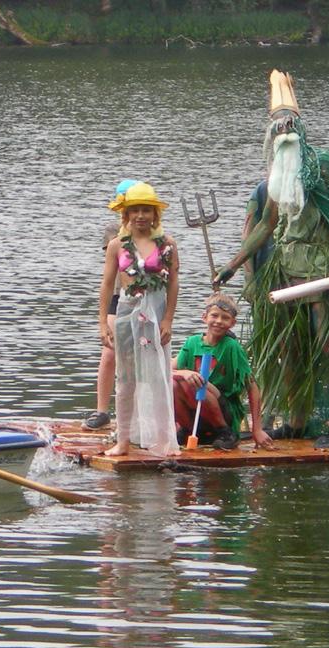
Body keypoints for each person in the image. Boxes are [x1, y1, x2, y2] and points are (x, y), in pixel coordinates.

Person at [214, 69, 329, 448]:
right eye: (278, 128)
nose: (284, 132)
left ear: (301, 131)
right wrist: (233, 263)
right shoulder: (277, 174)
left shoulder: (323, 166)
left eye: (289, 126)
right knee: (290, 348)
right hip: (287, 270)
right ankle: (295, 419)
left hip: (322, 271)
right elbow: (266, 226)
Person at [98, 181, 180, 457]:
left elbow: (173, 283)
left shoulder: (167, 244)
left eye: (147, 210)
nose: (141, 216)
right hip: (126, 310)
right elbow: (107, 285)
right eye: (135, 210)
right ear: (126, 215)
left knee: (158, 375)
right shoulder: (117, 245)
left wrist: (168, 319)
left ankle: (162, 439)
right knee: (126, 378)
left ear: (155, 214)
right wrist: (101, 323)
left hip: (155, 312)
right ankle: (123, 440)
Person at [173, 293, 275, 451]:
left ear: (232, 323)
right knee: (175, 383)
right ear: (204, 317)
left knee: (197, 382)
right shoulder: (191, 343)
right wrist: (185, 372)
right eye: (214, 316)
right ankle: (188, 429)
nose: (219, 321)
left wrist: (257, 429)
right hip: (197, 409)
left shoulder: (231, 347)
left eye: (225, 318)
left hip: (223, 407)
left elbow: (252, 386)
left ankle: (224, 432)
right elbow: (168, 371)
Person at [83, 179, 138, 432]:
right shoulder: (114, 231)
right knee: (110, 353)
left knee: (138, 357)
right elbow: (116, 259)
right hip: (120, 297)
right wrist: (102, 320)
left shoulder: (155, 232)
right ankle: (103, 410)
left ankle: (136, 414)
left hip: (145, 299)